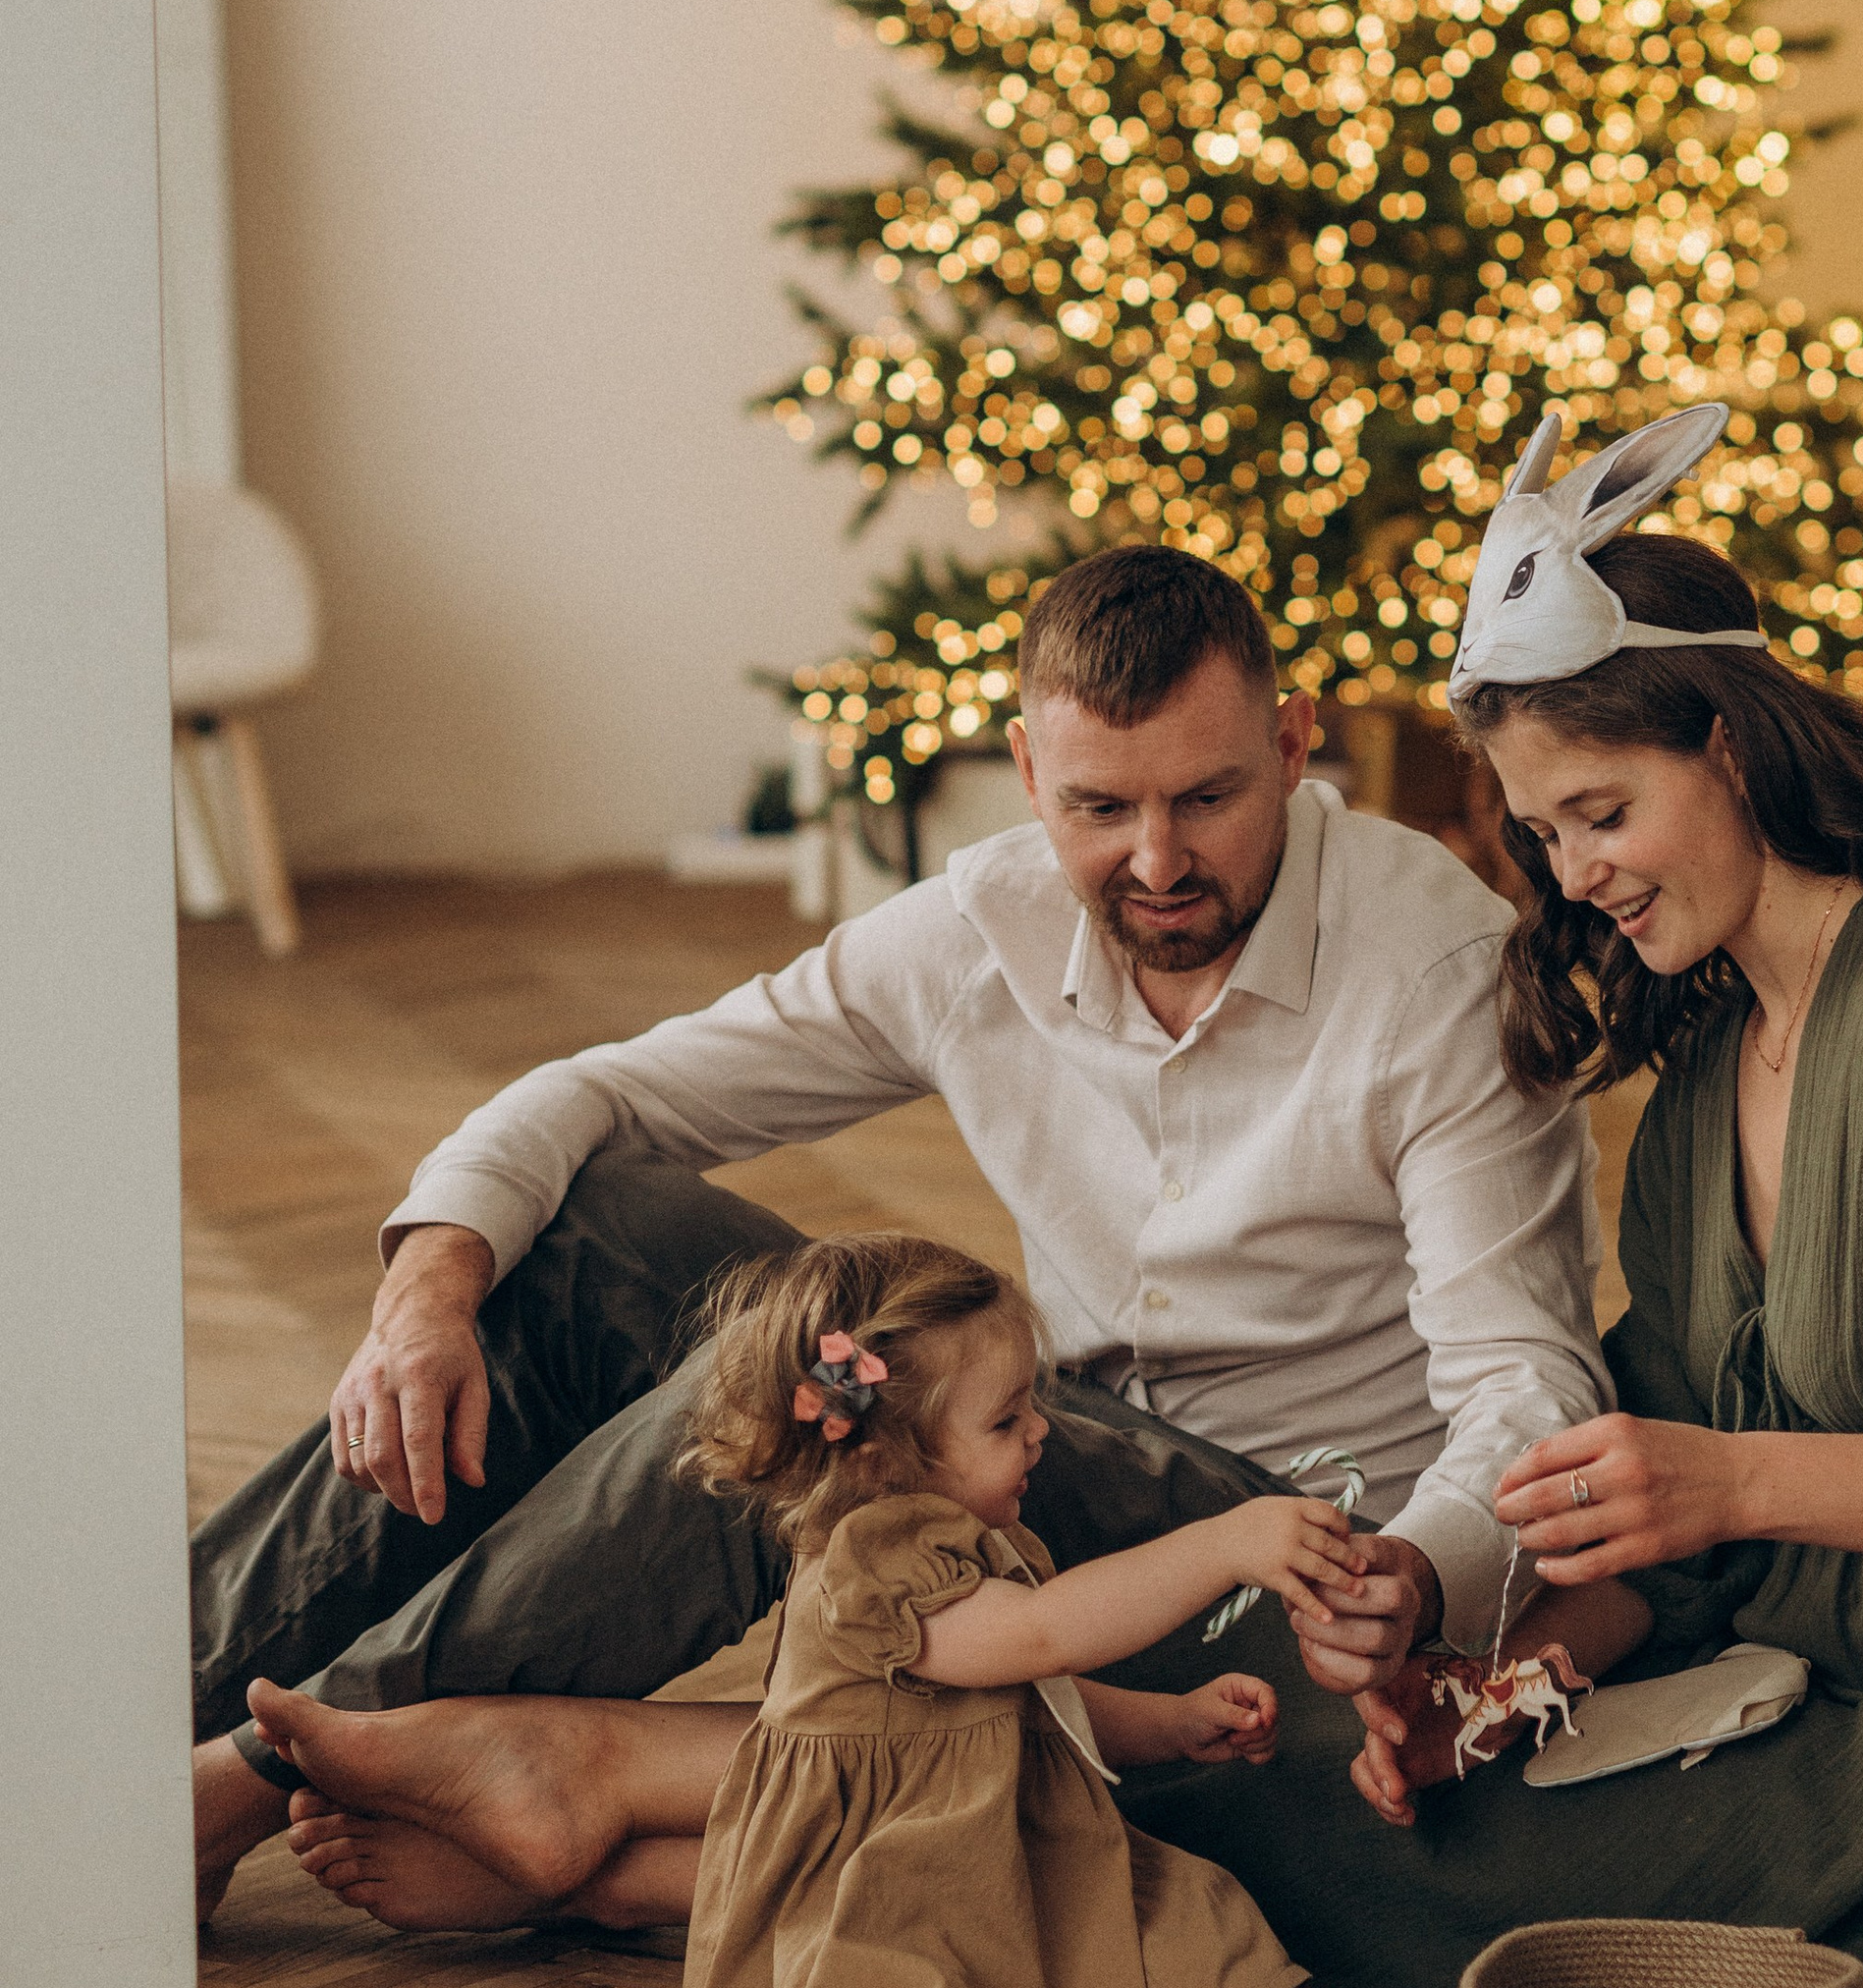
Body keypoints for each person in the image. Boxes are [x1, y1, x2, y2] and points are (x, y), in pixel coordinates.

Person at [192, 545, 1608, 1915]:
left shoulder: (1436, 970)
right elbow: (611, 1096)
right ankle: (135, 1717)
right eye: (1098, 807)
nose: (1157, 858)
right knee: (591, 1236)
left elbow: (1529, 1389)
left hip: (1295, 1559)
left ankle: (264, 1768)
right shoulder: (981, 925)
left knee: (821, 1373)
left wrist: (1417, 1570)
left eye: (1207, 797)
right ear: (1028, 770)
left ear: (1294, 745)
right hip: (1034, 1460)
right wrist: (425, 1292)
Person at [1115, 411, 1863, 1988]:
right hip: (1788, 1686)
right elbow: (1681, 1540)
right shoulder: (1714, 1053)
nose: (1577, 876)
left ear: (1731, 747)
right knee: (1301, 1774)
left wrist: (1729, 1477)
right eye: (1545, 834)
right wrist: (1512, 1685)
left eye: (1603, 811)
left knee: (1281, 1850)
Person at [252, 1228, 1443, 1988]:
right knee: (898, 1987)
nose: (1041, 1431)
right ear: (886, 1454)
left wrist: (1169, 1722)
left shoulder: (974, 1538)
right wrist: (1223, 1544)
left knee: (1191, 1927)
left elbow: (1034, 1696)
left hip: (1012, 1845)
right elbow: (1036, 1639)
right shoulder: (875, 1556)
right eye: (1007, 1418)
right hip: (882, 1865)